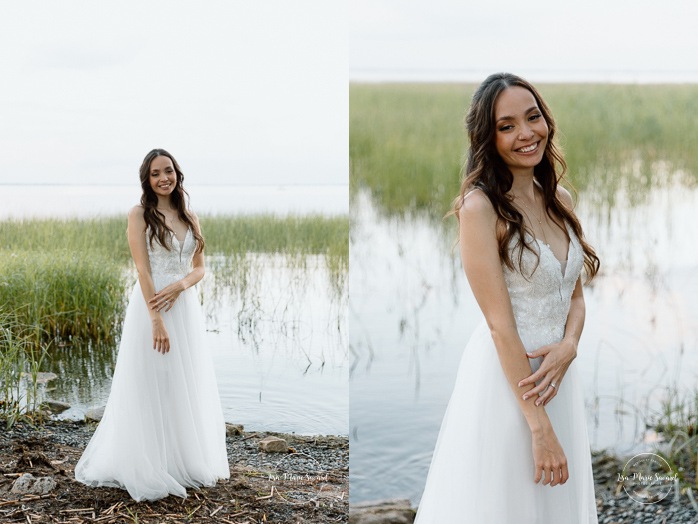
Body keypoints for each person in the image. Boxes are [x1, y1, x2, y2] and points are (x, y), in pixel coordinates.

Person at [414, 74, 600, 523]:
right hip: (509, 382)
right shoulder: (479, 209)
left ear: (546, 121)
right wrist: (538, 425)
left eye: (533, 117)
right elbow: (500, 325)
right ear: (488, 137)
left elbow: (574, 297)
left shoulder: (560, 199)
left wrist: (570, 346)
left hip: (558, 375)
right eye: (507, 125)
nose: (526, 133)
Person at [75, 149, 229, 501]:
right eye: (156, 173)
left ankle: (181, 460)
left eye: (169, 171)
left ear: (178, 174)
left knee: (182, 380)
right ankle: (148, 462)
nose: (164, 178)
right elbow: (142, 269)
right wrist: (155, 319)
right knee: (151, 380)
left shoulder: (190, 215)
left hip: (184, 307)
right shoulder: (139, 214)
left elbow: (200, 267)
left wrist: (180, 285)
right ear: (147, 179)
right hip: (151, 308)